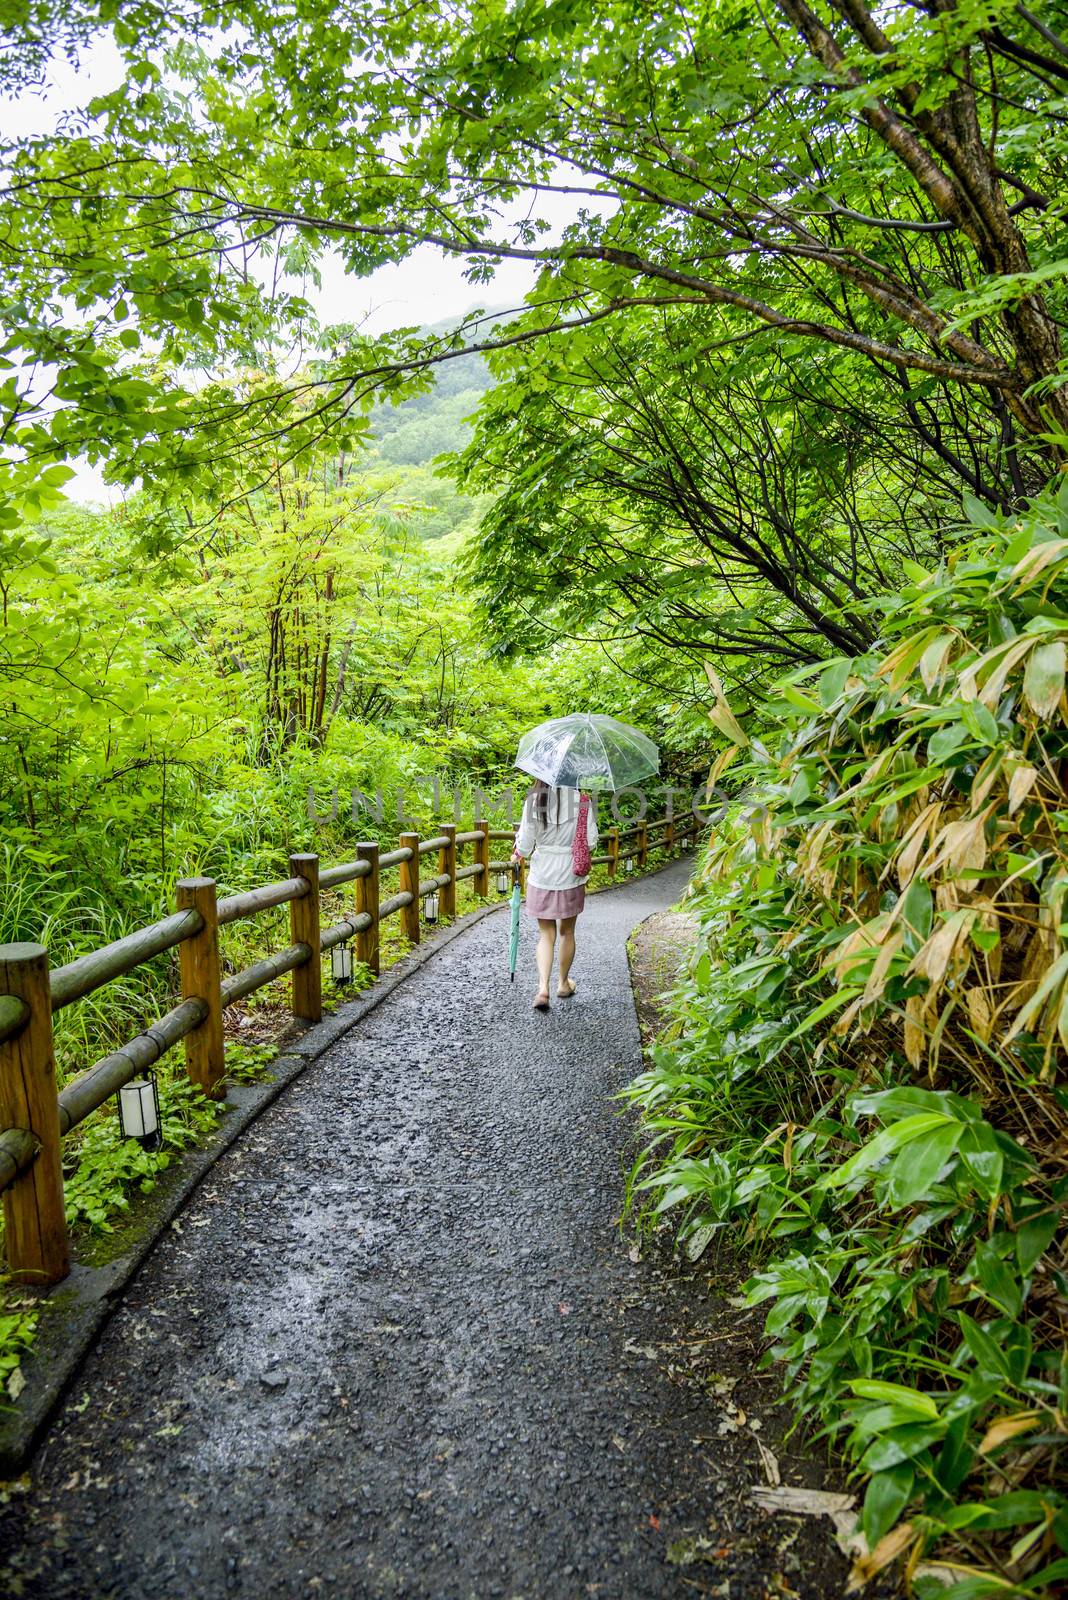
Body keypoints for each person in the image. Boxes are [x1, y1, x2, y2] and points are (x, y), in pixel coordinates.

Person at [512, 780, 598, 1011]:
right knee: (567, 932)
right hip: (570, 874)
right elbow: (590, 842)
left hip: (542, 875)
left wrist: (518, 852)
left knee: (545, 935)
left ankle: (543, 989)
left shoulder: (534, 800)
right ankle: (563, 983)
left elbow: (526, 844)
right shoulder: (582, 801)